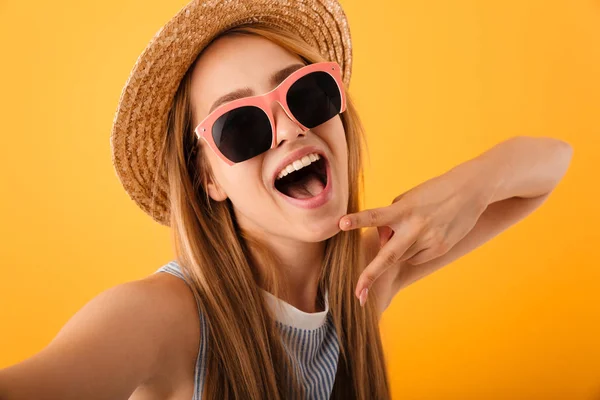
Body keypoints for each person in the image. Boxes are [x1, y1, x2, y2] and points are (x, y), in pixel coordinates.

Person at [0, 0, 573, 399]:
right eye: (240, 125)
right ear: (210, 181)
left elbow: (552, 161)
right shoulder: (163, 318)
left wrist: (458, 192)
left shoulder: (364, 284)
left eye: (306, 92)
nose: (287, 129)